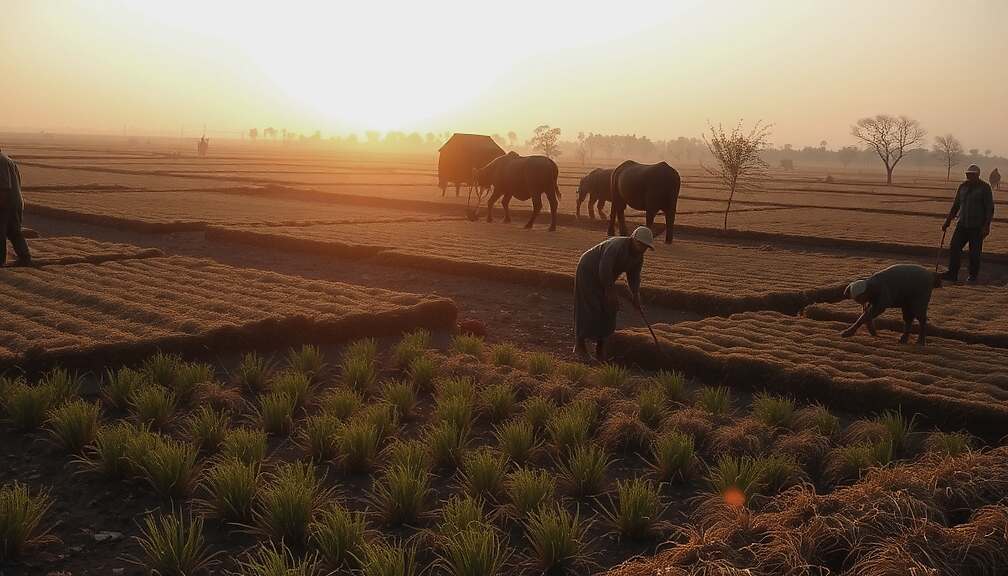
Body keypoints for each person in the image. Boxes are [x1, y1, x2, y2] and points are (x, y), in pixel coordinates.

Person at [574, 225, 654, 362]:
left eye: (645, 247)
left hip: (606, 277)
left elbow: (634, 277)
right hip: (588, 271)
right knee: (591, 306)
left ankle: (600, 350)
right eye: (640, 244)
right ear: (632, 239)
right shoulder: (616, 246)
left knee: (610, 309)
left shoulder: (638, 257)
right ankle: (580, 346)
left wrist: (635, 295)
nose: (642, 249)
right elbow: (604, 268)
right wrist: (610, 291)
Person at [840, 264, 940, 347]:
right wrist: (873, 334)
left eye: (860, 299)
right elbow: (867, 311)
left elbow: (874, 311)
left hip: (919, 280)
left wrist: (853, 329)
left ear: (864, 293)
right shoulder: (867, 285)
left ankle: (921, 338)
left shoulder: (881, 290)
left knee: (918, 310)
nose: (859, 302)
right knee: (906, 310)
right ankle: (905, 336)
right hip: (904, 284)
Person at [941, 164, 994, 283]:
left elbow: (989, 208)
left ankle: (972, 276)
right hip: (962, 224)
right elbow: (956, 206)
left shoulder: (984, 188)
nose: (969, 176)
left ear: (977, 175)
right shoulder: (963, 186)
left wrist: (986, 226)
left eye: (972, 174)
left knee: (974, 252)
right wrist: (947, 222)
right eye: (968, 174)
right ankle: (952, 273)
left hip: (977, 226)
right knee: (954, 247)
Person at [0, 147, 31, 267]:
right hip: (14, 202)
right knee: (14, 232)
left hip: (6, 204)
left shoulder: (0, 161)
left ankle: (0, 262)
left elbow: (4, 187)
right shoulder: (7, 159)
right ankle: (25, 257)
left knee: (1, 232)